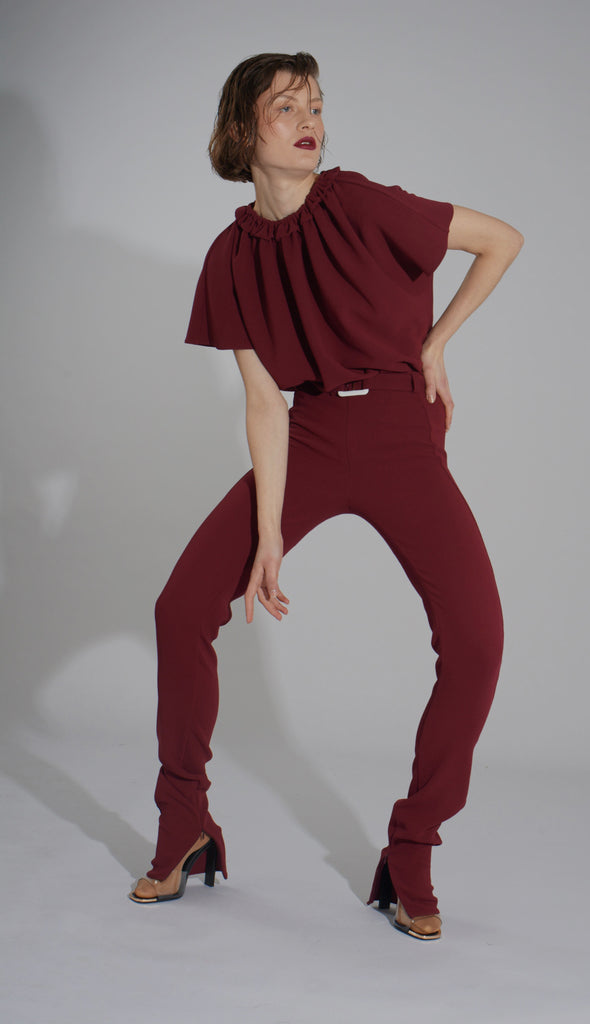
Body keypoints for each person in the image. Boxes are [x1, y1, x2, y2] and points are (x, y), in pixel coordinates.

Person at [128, 51, 523, 941]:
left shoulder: (358, 202)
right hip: (306, 432)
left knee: (475, 640)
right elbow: (263, 401)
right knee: (182, 607)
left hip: (398, 430)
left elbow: (501, 239)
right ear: (243, 130)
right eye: (286, 106)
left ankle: (411, 847)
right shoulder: (230, 255)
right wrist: (268, 533)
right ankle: (184, 822)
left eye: (315, 105)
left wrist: (434, 344)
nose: (309, 121)